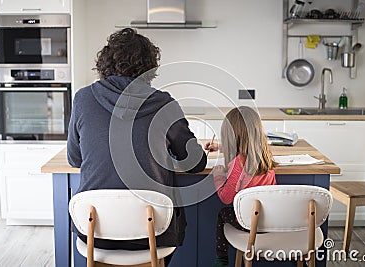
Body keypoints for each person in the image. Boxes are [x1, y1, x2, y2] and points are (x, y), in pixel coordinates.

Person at [67, 28, 207, 265]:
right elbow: (196, 163)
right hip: (153, 236)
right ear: (149, 68)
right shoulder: (164, 103)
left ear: (105, 63)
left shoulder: (83, 99)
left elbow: (75, 159)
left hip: (95, 234)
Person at [205, 106, 277, 267]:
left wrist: (218, 177)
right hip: (271, 221)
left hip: (247, 222)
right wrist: (221, 148)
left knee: (223, 214)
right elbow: (244, 147)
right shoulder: (265, 154)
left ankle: (221, 259)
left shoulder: (238, 164)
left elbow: (226, 197)